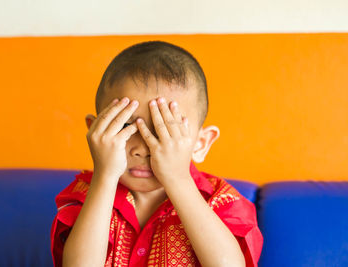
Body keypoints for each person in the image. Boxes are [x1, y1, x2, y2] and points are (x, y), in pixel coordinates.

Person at [50, 40, 263, 267]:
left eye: (165, 130)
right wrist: (105, 177)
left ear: (200, 143)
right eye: (124, 126)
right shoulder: (84, 194)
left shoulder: (222, 201)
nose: (142, 149)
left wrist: (178, 180)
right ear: (96, 132)